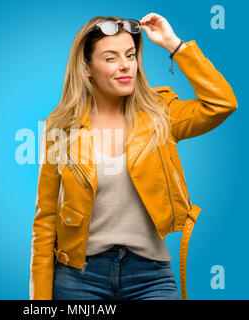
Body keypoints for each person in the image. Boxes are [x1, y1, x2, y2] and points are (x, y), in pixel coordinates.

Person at [29, 13, 237, 300]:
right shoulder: (61, 128)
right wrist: (39, 302)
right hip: (79, 278)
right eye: (111, 58)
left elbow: (221, 103)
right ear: (87, 67)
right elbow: (45, 220)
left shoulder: (160, 115)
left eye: (130, 55)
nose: (125, 65)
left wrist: (175, 45)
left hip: (151, 276)